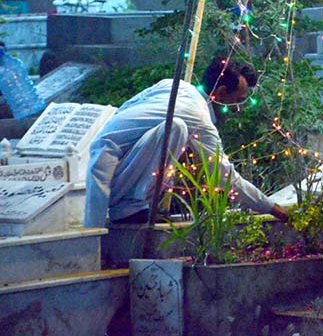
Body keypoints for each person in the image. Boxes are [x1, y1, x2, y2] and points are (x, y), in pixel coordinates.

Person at [83, 57, 289, 227]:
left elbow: (127, 108)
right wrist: (273, 209)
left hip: (110, 165)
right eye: (236, 101)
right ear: (220, 93)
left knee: (176, 128)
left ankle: (137, 204)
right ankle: (132, 206)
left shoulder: (175, 86)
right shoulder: (198, 116)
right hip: (110, 176)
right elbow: (226, 178)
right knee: (176, 127)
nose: (237, 110)